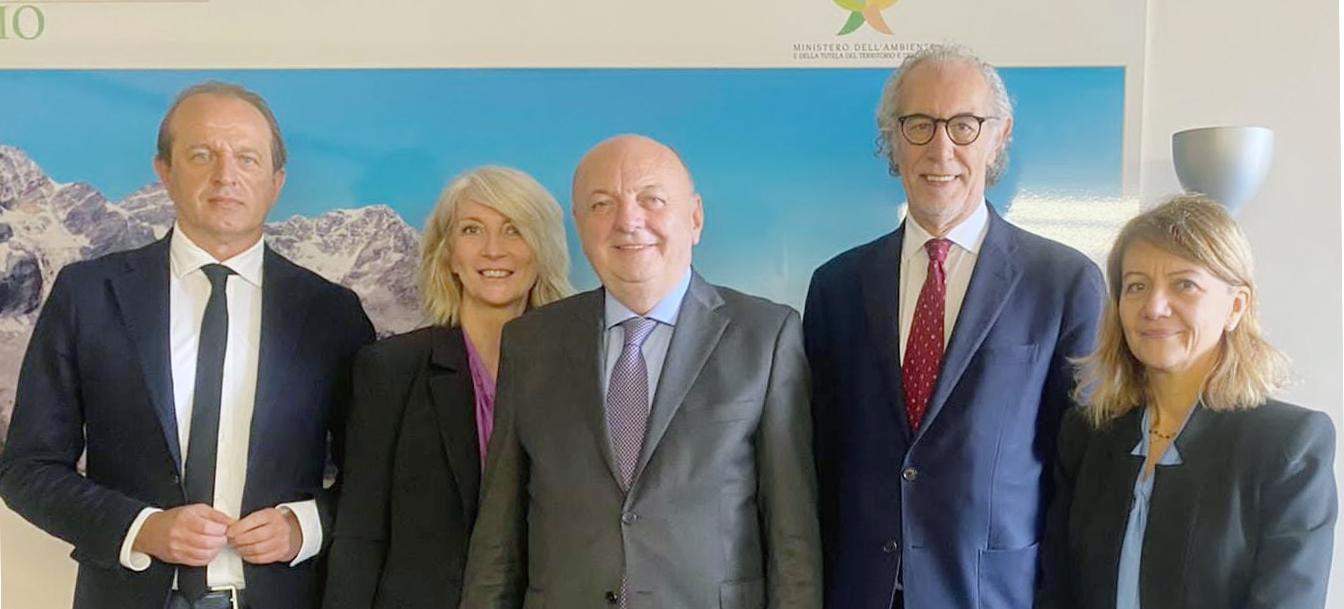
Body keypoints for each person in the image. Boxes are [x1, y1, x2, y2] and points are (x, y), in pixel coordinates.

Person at [0, 82, 375, 609]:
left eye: (247, 158)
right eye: (202, 155)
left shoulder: (332, 314)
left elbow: (377, 475)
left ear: (276, 182)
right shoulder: (88, 295)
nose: (226, 175)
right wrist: (141, 528)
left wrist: (306, 525)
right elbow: (27, 468)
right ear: (165, 172)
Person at [460, 134, 821, 609]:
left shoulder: (766, 336)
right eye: (602, 204)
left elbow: (793, 538)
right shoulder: (531, 343)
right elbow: (498, 537)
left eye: (652, 199)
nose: (628, 221)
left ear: (694, 218)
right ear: (580, 225)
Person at [803, 44, 1106, 609]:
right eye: (919, 124)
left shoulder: (1064, 283)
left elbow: (1082, 474)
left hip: (995, 595)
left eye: (964, 125)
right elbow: (821, 460)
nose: (940, 148)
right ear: (893, 138)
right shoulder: (836, 286)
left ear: (998, 136)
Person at [1038, 194, 1337, 609]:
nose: (1154, 307)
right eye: (1137, 286)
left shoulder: (1288, 444)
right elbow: (1058, 592)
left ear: (1235, 306)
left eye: (1184, 284)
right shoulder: (1087, 434)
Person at [323, 166, 573, 609]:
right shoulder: (392, 369)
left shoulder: (578, 374)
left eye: (514, 230)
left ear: (543, 250)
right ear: (449, 254)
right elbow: (360, 532)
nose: (493, 249)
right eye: (472, 230)